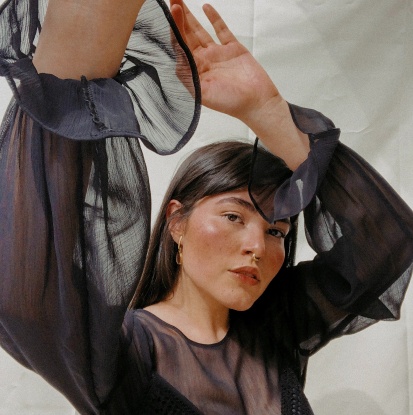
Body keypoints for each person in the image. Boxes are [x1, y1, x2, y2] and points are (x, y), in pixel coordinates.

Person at [0, 0, 412, 414]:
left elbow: (389, 246)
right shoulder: (125, 353)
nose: (258, 246)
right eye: (233, 216)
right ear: (176, 222)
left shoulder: (277, 330)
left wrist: (268, 112)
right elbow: (26, 289)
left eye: (276, 231)